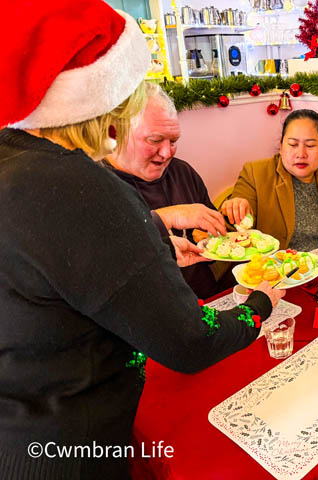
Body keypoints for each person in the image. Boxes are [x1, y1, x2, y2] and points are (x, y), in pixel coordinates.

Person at [0, 2, 284, 479]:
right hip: (67, 448)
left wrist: (153, 240)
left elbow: (53, 269)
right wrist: (259, 304)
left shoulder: (14, 164)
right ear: (109, 107)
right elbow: (190, 341)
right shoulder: (82, 187)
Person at [102, 82, 232, 299]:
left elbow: (212, 244)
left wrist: (211, 238)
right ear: (117, 132)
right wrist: (167, 217)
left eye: (173, 141)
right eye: (154, 140)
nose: (166, 153)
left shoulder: (182, 172)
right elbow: (108, 263)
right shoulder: (95, 185)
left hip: (203, 299)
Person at [221, 109, 318, 252]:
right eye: (293, 144)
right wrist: (236, 208)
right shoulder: (255, 173)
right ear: (282, 146)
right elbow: (234, 223)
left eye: (310, 145)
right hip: (276, 269)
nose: (301, 154)